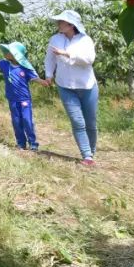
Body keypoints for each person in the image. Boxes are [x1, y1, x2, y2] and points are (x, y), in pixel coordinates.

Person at [42, 9, 98, 167]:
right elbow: (50, 59)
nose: (58, 24)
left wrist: (66, 54)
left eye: (61, 21)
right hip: (64, 85)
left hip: (87, 86)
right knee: (77, 121)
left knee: (90, 122)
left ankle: (91, 152)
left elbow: (89, 60)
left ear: (71, 24)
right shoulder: (55, 39)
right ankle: (87, 155)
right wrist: (48, 75)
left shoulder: (85, 40)